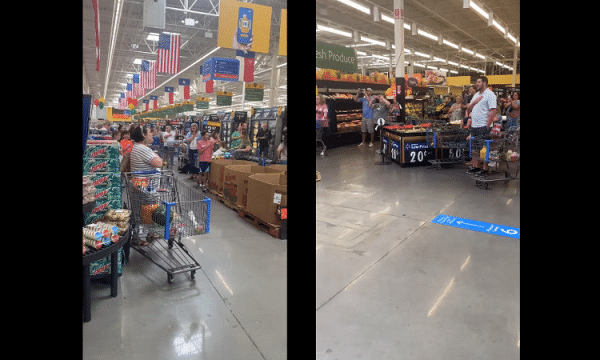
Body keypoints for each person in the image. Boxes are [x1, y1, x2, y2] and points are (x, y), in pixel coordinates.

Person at [466, 76, 497, 175]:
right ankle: (476, 166)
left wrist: (487, 125)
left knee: (483, 148)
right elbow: (468, 109)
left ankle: (485, 168)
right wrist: (474, 103)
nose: (477, 84)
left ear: (484, 83)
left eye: (478, 82)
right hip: (474, 126)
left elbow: (493, 111)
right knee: (475, 148)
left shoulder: (490, 94)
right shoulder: (476, 95)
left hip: (483, 126)